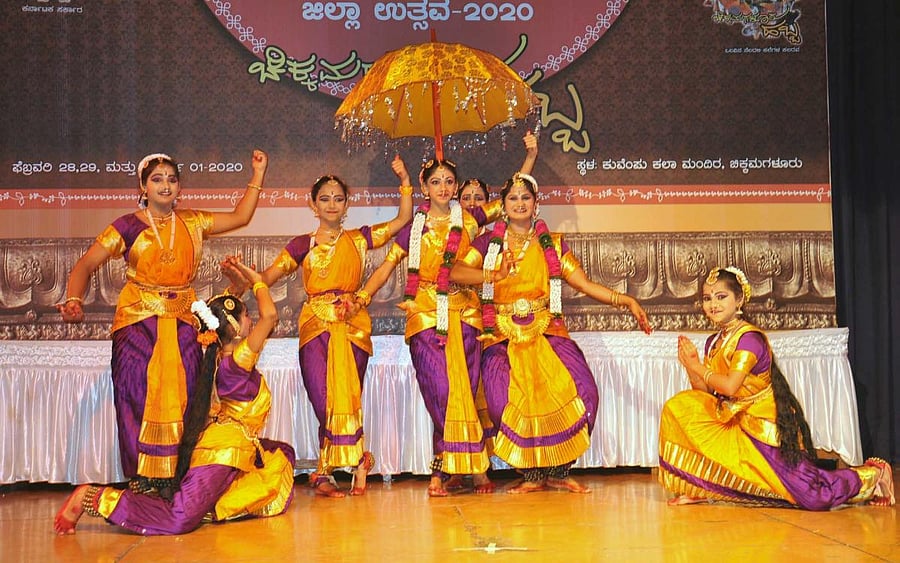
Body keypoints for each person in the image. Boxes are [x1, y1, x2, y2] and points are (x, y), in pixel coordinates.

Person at [56, 150, 268, 494]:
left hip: (184, 316)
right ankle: (141, 477)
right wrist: (73, 299)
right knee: (135, 391)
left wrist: (258, 174)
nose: (165, 185)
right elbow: (84, 265)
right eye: (157, 179)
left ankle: (175, 474)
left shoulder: (193, 221)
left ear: (180, 187)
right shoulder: (126, 226)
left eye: (171, 179)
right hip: (137, 317)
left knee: (185, 392)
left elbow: (241, 216)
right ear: (143, 186)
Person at [54, 258, 296, 535]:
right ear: (236, 326)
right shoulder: (239, 361)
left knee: (282, 454)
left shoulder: (216, 355)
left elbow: (223, 316)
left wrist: (236, 288)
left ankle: (201, 501)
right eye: (246, 316)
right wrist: (258, 281)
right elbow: (271, 317)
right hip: (221, 453)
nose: (251, 321)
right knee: (179, 518)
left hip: (230, 446)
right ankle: (93, 497)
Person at [451, 173, 652, 494]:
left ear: (536, 204)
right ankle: (531, 473)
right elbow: (455, 272)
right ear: (502, 206)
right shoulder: (488, 244)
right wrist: (493, 272)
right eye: (512, 198)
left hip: (548, 328)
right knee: (502, 398)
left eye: (525, 198)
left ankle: (559, 470)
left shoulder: (553, 243)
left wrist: (625, 300)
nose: (519, 203)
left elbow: (584, 284)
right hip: (501, 334)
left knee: (585, 391)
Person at [244, 159, 413, 498]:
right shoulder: (301, 245)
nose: (332, 204)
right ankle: (352, 460)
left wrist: (405, 180)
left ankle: (326, 470)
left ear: (347, 205)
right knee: (323, 398)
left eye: (338, 198)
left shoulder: (360, 239)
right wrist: (244, 278)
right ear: (313, 204)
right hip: (315, 325)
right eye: (325, 198)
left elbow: (402, 220)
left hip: (352, 323)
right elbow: (268, 278)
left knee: (348, 396)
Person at [659, 266, 895, 509]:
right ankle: (701, 486)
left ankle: (874, 474)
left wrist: (698, 367)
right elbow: (706, 396)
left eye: (721, 297)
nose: (713, 305)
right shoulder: (714, 342)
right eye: (707, 298)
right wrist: (690, 365)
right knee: (680, 408)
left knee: (814, 497)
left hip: (762, 428)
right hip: (734, 422)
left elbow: (730, 386)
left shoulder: (749, 339)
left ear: (739, 299)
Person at [355, 157, 498, 497]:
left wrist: (531, 156)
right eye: (436, 181)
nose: (444, 187)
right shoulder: (413, 229)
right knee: (442, 392)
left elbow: (514, 195)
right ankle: (458, 466)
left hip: (464, 313)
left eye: (450, 181)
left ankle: (458, 469)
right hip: (425, 314)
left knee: (465, 389)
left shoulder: (470, 219)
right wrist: (363, 295)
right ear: (425, 187)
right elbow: (386, 267)